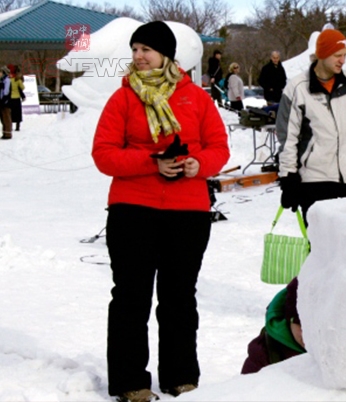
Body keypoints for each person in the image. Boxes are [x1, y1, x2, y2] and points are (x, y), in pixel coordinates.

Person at [91, 21, 229, 402]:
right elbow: (104, 154)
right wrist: (152, 162)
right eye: (134, 49)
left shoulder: (197, 99)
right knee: (131, 298)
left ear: (167, 55)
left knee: (180, 297)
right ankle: (130, 381)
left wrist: (196, 164)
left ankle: (180, 376)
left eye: (145, 50)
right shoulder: (122, 99)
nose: (137, 56)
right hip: (132, 210)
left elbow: (219, 147)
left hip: (188, 212)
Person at [276, 28, 346, 222]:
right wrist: (288, 177)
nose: (342, 61)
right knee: (320, 248)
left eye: (345, 56)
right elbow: (287, 137)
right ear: (322, 55)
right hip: (315, 181)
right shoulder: (297, 88)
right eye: (337, 55)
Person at [9, 67, 25, 131]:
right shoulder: (17, 80)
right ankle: (17, 127)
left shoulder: (9, 79)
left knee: (11, 113)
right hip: (17, 98)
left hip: (10, 98)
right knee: (18, 113)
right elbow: (23, 87)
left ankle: (10, 126)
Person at [0, 65, 12, 139]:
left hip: (6, 101)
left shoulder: (7, 80)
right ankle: (4, 133)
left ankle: (8, 133)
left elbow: (6, 92)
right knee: (2, 118)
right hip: (1, 101)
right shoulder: (1, 80)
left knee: (6, 117)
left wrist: (3, 100)